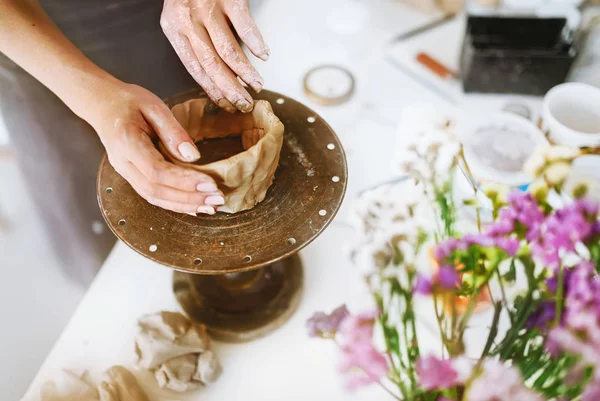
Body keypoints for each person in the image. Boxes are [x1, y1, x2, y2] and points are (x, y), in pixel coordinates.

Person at [0, 0, 268, 284]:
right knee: (106, 225)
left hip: (165, 18)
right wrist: (92, 97)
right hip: (32, 37)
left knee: (211, 118)